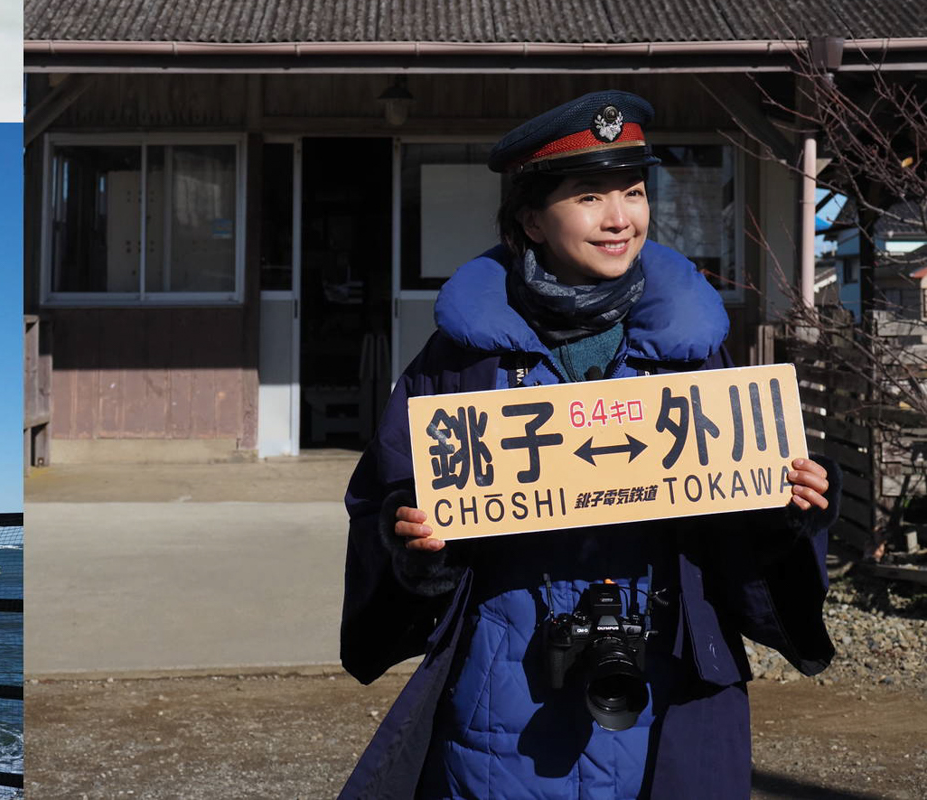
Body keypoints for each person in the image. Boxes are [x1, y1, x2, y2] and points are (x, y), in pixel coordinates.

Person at [339, 91, 838, 800]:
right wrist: (414, 541)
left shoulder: (695, 354)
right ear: (531, 219)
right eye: (589, 196)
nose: (619, 218)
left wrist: (786, 508)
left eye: (633, 192)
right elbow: (383, 496)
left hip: (666, 690)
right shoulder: (462, 358)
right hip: (501, 701)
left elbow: (740, 535)